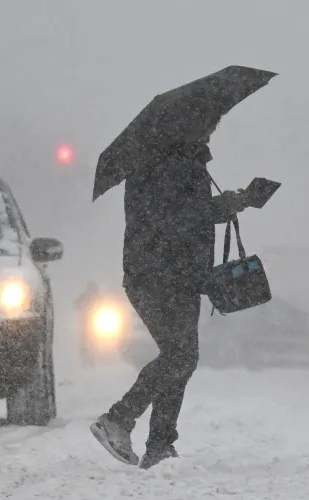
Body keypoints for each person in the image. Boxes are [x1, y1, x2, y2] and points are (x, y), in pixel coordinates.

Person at [90, 135, 248, 469]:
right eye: (204, 130)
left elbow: (186, 217)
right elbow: (173, 219)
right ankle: (119, 419)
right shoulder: (161, 165)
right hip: (158, 277)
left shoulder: (181, 163)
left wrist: (229, 203)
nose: (208, 136)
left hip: (178, 277)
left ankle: (159, 445)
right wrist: (222, 206)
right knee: (180, 356)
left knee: (181, 358)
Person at [74, 282, 102, 367]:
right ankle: (86, 359)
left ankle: (92, 359)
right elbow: (76, 304)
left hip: (96, 324)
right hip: (86, 324)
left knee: (93, 342)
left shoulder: (99, 298)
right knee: (85, 342)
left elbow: (106, 305)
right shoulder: (85, 297)